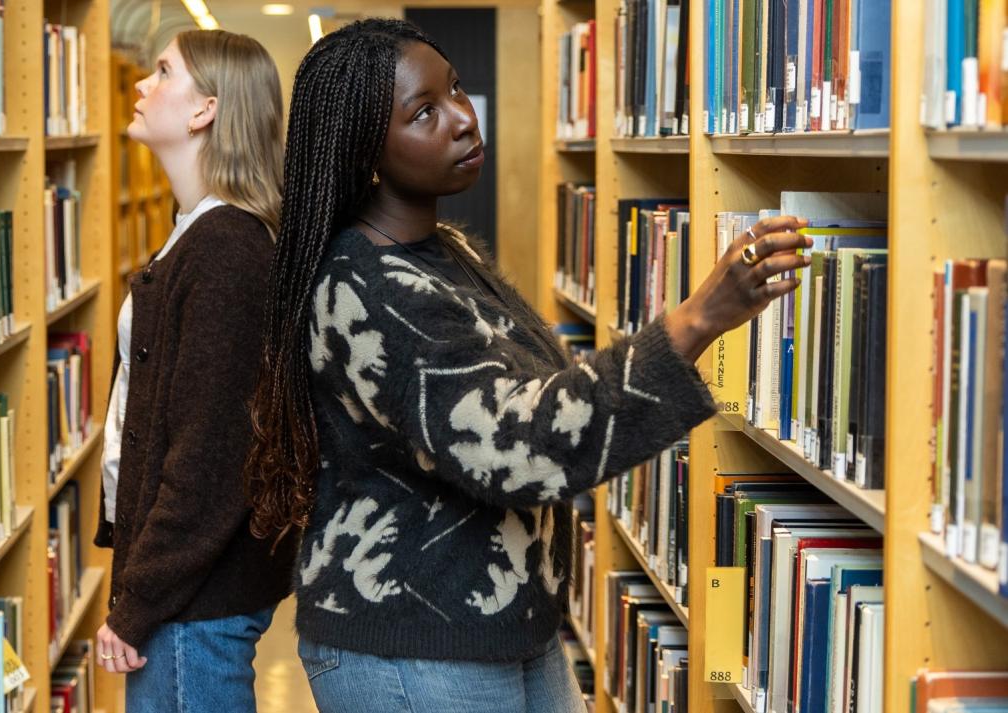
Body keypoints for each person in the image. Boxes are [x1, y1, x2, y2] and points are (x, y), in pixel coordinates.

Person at [244, 18, 810, 713]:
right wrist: (697, 320)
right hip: (416, 643)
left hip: (507, 622)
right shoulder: (366, 287)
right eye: (426, 112)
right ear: (369, 154)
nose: (462, 119)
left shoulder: (442, 251)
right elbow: (517, 444)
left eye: (455, 91)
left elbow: (541, 387)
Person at [92, 29, 295, 713]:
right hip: (184, 598)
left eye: (162, 71)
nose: (144, 87)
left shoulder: (226, 251)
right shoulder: (197, 233)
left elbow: (208, 459)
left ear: (206, 108)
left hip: (191, 608)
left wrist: (139, 600)